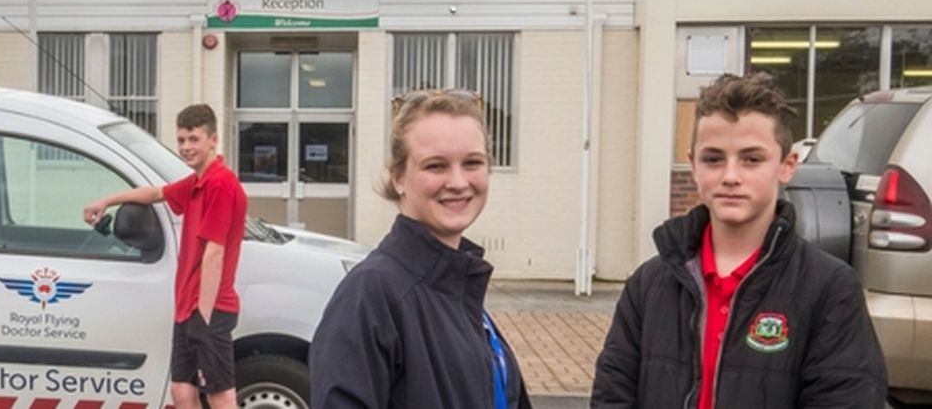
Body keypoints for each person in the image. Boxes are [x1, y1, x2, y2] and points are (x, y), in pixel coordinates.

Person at [591, 73, 887, 408]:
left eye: (752, 159)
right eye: (714, 159)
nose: (731, 176)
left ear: (787, 165)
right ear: (693, 165)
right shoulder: (648, 286)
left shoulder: (829, 290)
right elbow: (611, 398)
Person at [309, 89, 530, 409]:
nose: (458, 182)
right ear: (398, 177)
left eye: (472, 163)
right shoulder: (372, 294)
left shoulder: (457, 286)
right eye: (436, 166)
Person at [83, 103, 247, 409]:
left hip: (209, 308)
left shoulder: (220, 185)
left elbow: (214, 253)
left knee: (219, 395)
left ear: (213, 140)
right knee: (182, 392)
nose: (186, 147)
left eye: (194, 139)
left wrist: (205, 317)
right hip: (188, 309)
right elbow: (157, 193)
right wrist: (107, 200)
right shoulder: (197, 182)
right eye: (182, 140)